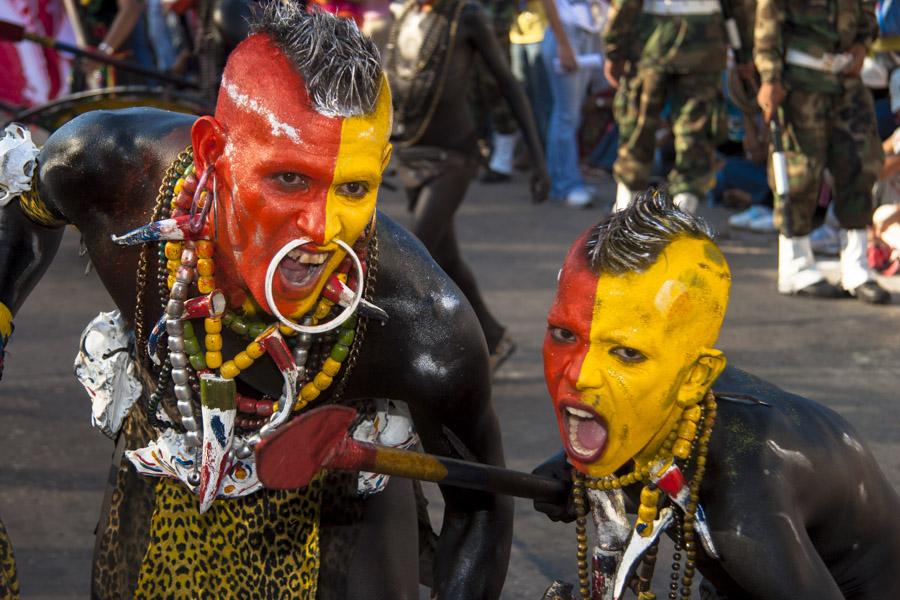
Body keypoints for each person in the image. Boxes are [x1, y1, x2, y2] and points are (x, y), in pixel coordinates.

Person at [0, 5, 512, 598]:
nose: (322, 229)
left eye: (353, 187)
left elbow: (481, 509)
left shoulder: (421, 323)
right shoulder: (111, 171)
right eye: (290, 179)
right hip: (163, 485)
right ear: (212, 149)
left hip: (343, 522)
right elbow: (26, 208)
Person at [532, 191, 900, 599]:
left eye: (627, 354)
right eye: (565, 335)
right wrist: (568, 466)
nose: (581, 375)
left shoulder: (742, 497)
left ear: (696, 375)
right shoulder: (663, 401)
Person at [385, 0, 549, 370]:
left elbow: (509, 84)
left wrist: (539, 161)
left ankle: (408, 361)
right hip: (411, 155)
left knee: (412, 254)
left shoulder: (467, 16)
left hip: (453, 158)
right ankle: (493, 337)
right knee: (446, 258)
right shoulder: (408, 15)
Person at [755, 0, 891, 303]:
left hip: (847, 83)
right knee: (799, 172)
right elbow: (767, 26)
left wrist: (861, 46)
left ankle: (857, 269)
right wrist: (769, 78)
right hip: (800, 81)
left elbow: (867, 15)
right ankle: (796, 266)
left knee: (860, 166)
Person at [603, 0, 730, 214]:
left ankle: (625, 213)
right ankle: (683, 214)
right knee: (695, 132)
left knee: (638, 126)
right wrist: (744, 50)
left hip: (652, 38)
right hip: (704, 37)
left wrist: (614, 47)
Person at [539, 0, 605, 207]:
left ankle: (569, 180)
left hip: (588, 33)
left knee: (572, 115)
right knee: (566, 115)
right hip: (568, 34)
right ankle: (565, 186)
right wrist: (563, 43)